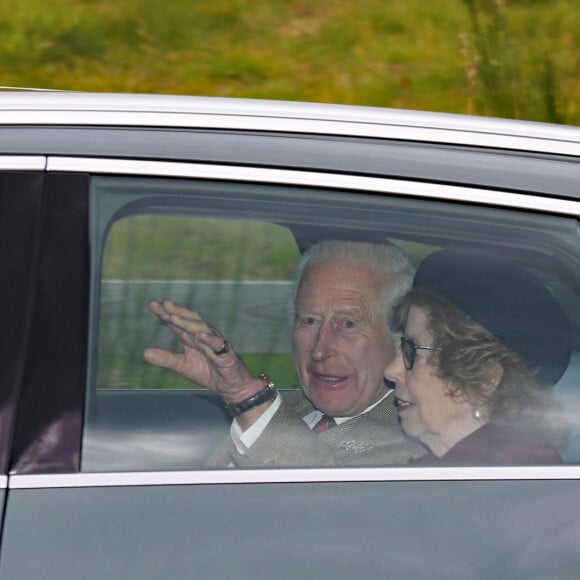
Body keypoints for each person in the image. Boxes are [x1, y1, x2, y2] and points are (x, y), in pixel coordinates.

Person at [144, 240, 425, 467]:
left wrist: (245, 397)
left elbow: (328, 502)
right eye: (309, 321)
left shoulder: (420, 441)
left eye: (348, 324)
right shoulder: (286, 408)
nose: (319, 349)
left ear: (400, 338)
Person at [384, 249, 572, 465]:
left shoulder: (516, 479)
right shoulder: (460, 472)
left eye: (413, 351)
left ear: (485, 379)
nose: (390, 371)